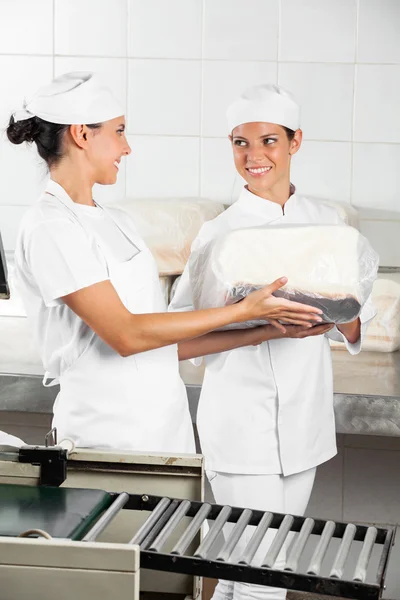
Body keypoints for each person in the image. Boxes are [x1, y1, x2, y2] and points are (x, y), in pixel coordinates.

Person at [7, 73, 323, 456]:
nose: (127, 148)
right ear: (82, 135)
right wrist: (242, 311)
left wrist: (266, 331)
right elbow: (127, 336)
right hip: (105, 435)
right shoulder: (51, 226)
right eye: (119, 131)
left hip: (165, 431)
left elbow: (160, 342)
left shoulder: (115, 221)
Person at [169, 84, 376, 600]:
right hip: (241, 426)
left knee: (256, 571)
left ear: (295, 142)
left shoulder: (327, 225)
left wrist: (335, 319)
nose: (253, 156)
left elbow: (355, 322)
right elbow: (180, 329)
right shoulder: (220, 233)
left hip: (303, 426)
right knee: (262, 576)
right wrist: (253, 321)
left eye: (267, 141)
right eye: (240, 143)